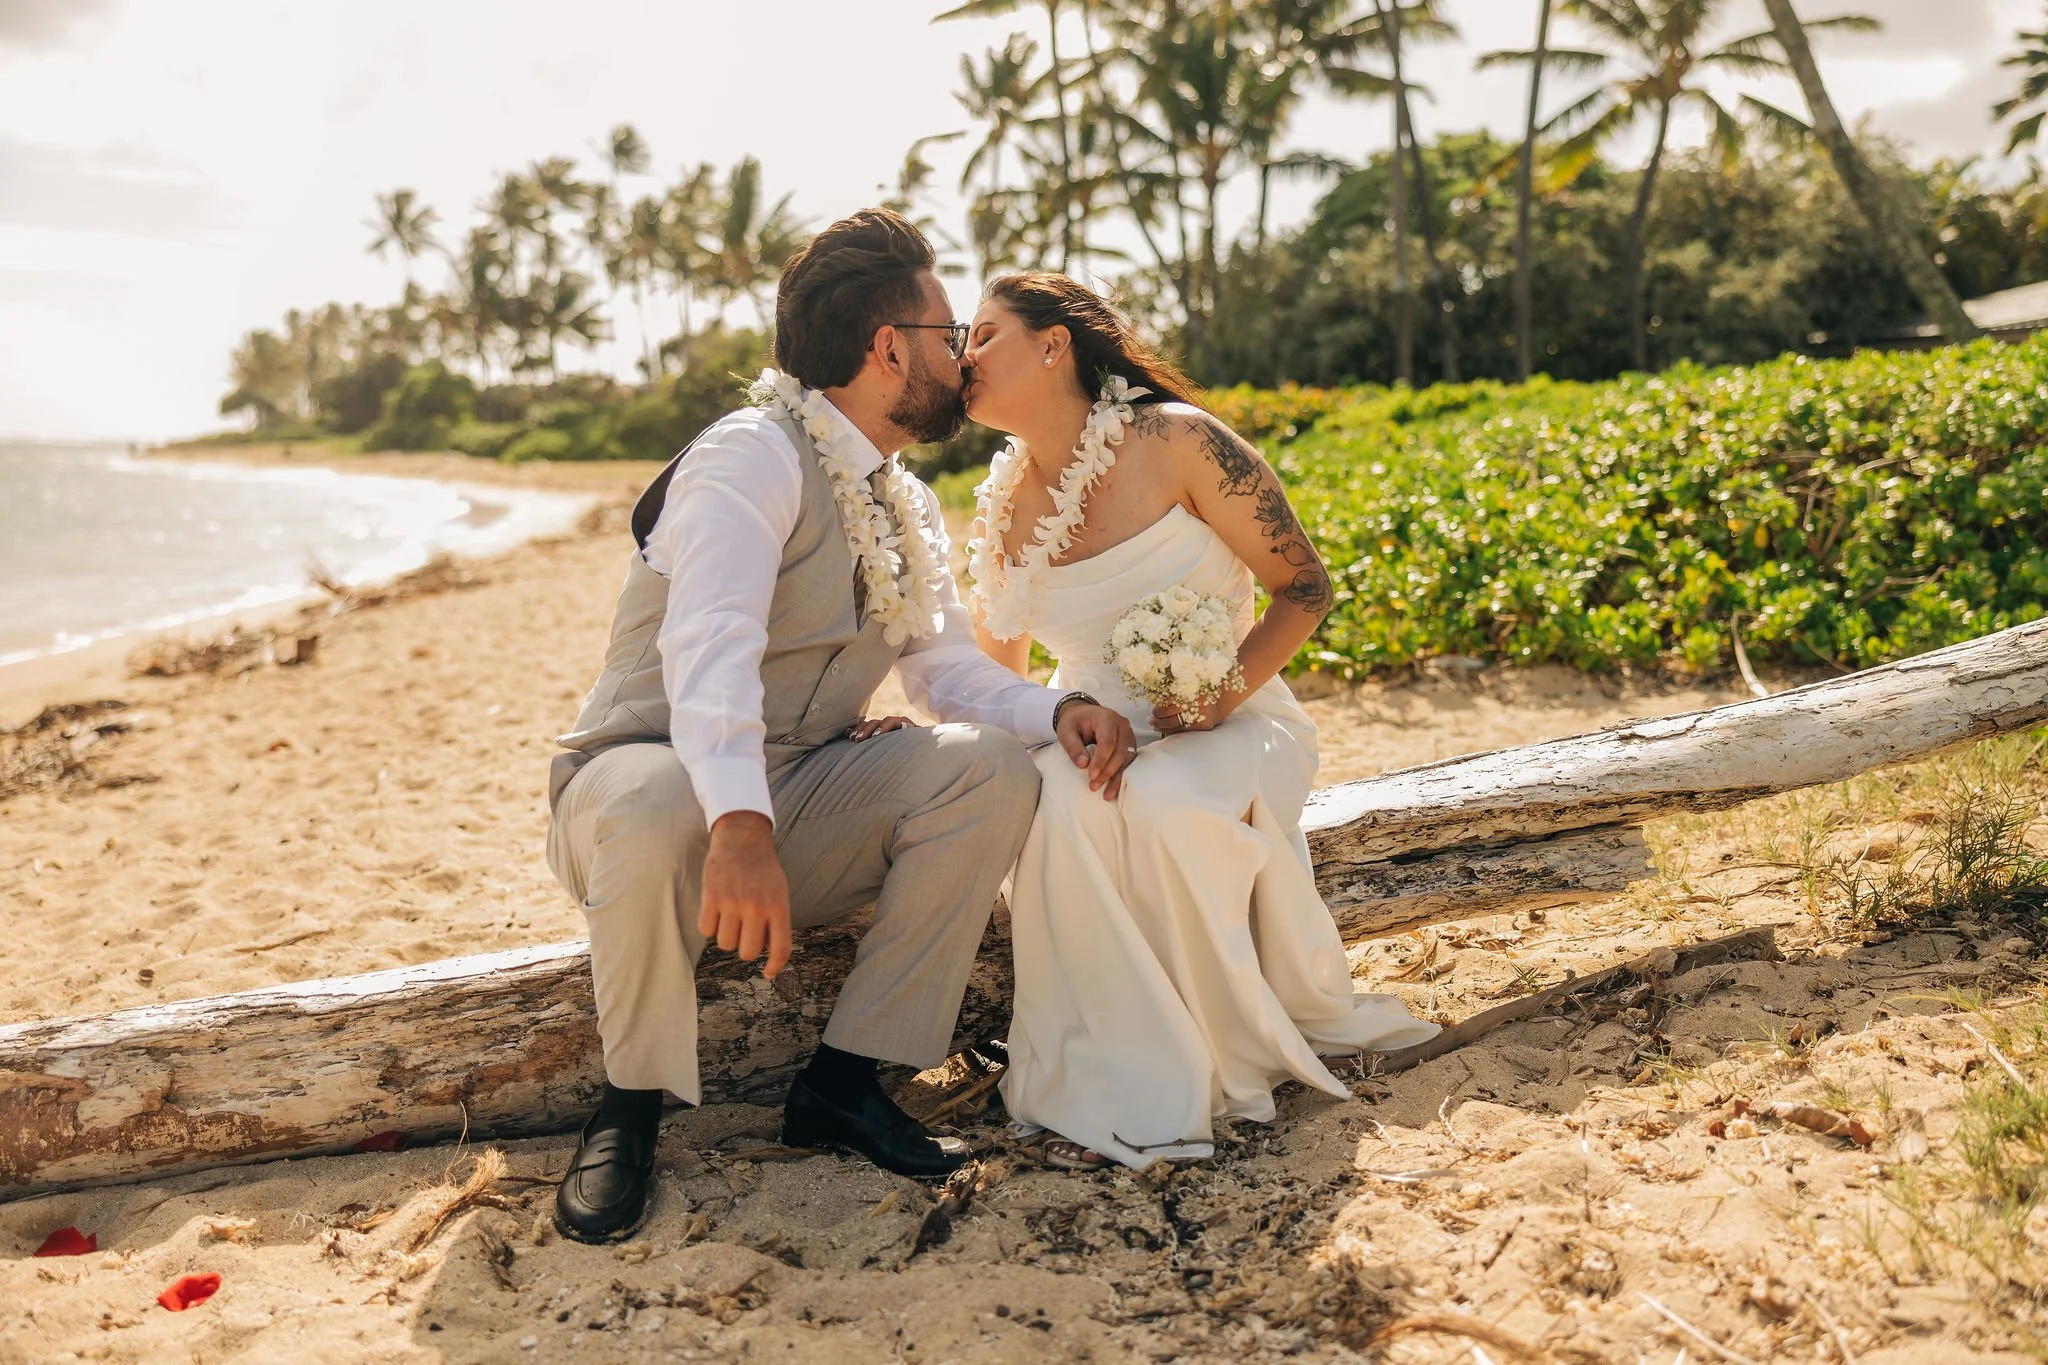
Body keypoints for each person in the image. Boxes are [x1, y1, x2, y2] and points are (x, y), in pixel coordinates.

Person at [544, 213, 1137, 1242]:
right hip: (637, 802)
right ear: (887, 346)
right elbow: (711, 645)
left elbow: (944, 666)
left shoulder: (899, 501)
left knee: (988, 770)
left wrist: (1059, 710)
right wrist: (736, 825)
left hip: (795, 802)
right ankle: (628, 1104)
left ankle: (845, 1083)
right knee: (654, 794)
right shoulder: (749, 454)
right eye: (951, 333)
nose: (962, 358)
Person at [962, 273, 1440, 1170]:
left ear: (1055, 343)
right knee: (1060, 803)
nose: (963, 356)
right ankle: (1115, 1064)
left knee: (1162, 800)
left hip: (1235, 717)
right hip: (1092, 728)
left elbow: (1306, 585)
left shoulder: (1179, 441)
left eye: (985, 335)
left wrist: (1217, 694)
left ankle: (1221, 1055)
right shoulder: (999, 510)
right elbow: (1003, 677)